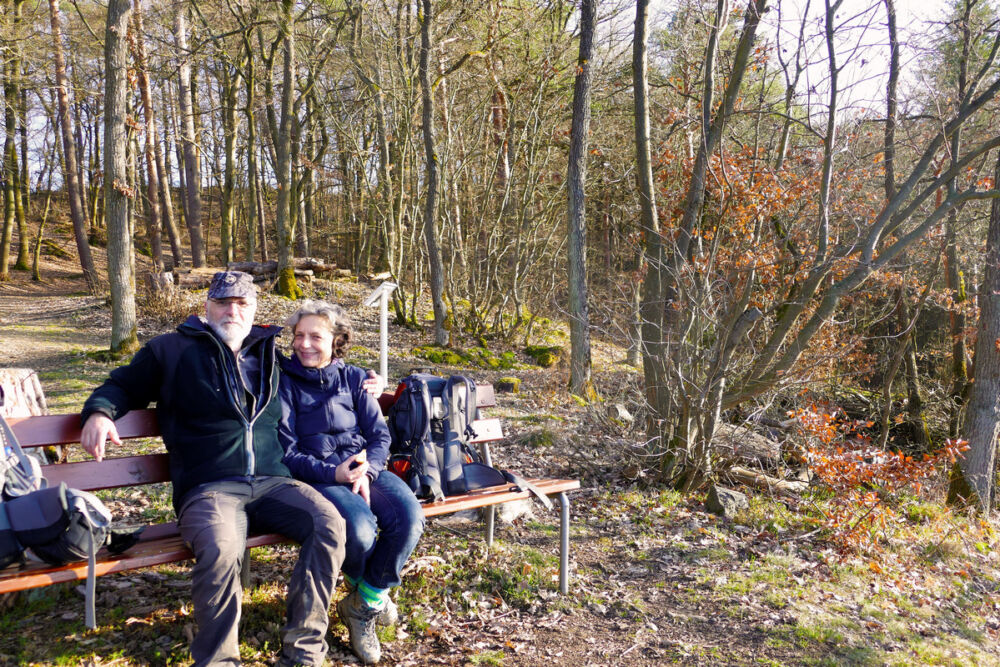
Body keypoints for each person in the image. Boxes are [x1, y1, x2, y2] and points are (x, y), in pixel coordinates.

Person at [79, 271, 346, 667]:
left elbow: (321, 375)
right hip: (209, 488)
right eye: (223, 302)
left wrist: (365, 382)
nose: (232, 311)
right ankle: (219, 660)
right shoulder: (170, 350)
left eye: (242, 303)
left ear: (254, 309)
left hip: (274, 482)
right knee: (222, 548)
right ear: (206, 307)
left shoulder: (269, 351)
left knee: (328, 524)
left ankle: (304, 650)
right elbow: (121, 385)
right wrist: (100, 413)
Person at [278, 300, 425, 666]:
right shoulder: (281, 382)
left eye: (316, 336)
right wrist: (335, 474)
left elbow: (379, 436)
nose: (305, 344)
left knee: (409, 518)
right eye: (299, 336)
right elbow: (287, 450)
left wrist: (367, 471)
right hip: (317, 475)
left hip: (363, 468)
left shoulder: (357, 379)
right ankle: (373, 594)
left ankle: (365, 602)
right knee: (358, 532)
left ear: (337, 340)